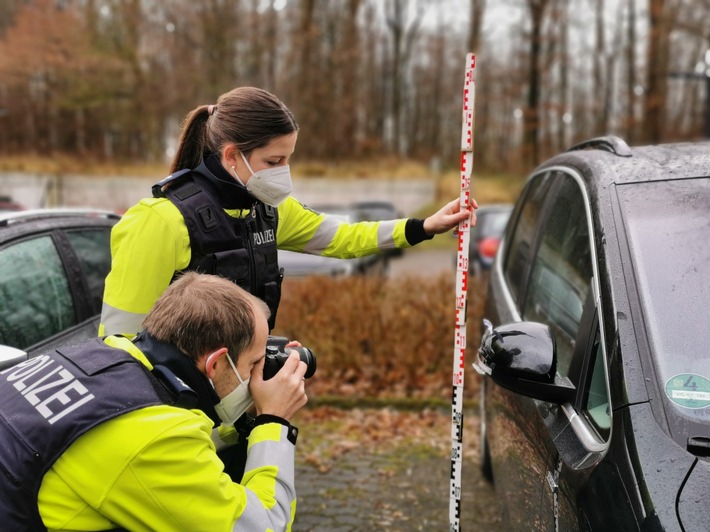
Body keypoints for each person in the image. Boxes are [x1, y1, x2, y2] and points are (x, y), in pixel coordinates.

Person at [100, 85, 477, 337]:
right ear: (232, 155)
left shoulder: (269, 209)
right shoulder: (159, 221)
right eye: (274, 160)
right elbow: (120, 341)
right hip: (179, 418)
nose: (283, 172)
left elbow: (343, 239)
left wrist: (424, 226)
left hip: (243, 405)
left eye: (288, 160)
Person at [0, 272, 308, 531]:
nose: (257, 375)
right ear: (216, 364)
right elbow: (265, 524)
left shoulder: (106, 354)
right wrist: (273, 420)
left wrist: (246, 418)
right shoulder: (153, 440)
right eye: (253, 364)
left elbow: (162, 440)